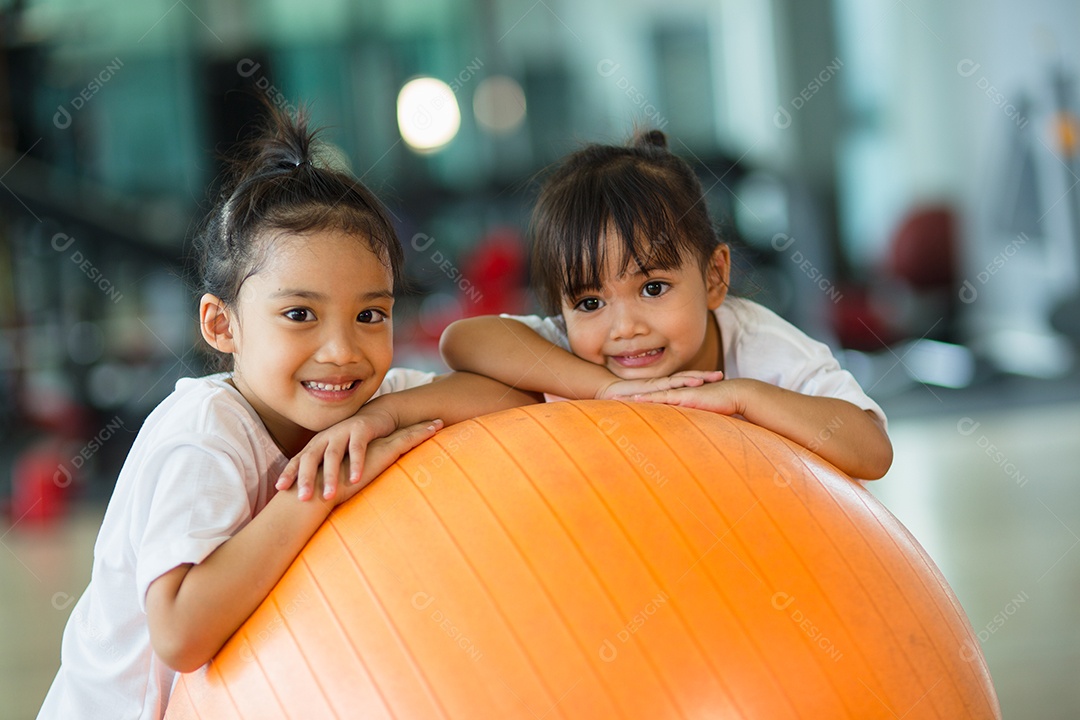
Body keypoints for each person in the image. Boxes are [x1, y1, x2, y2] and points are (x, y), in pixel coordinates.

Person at [37, 106, 536, 720]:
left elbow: (514, 403)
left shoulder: (360, 400)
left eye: (370, 315)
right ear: (222, 325)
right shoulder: (204, 435)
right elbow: (180, 634)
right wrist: (320, 490)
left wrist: (382, 418)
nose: (342, 350)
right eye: (300, 315)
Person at [439, 130, 892, 480]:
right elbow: (461, 341)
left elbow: (872, 450)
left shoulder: (761, 347)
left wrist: (742, 396)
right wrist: (601, 388)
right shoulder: (577, 349)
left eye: (653, 289)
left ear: (714, 277)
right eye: (591, 301)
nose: (625, 327)